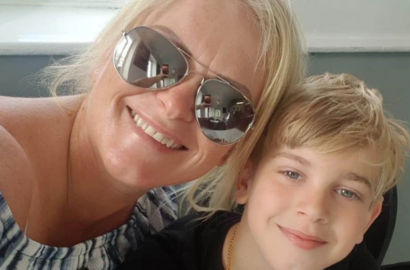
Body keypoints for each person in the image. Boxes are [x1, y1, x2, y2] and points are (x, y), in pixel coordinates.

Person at [0, 0, 306, 269]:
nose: (175, 105)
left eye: (225, 105)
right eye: (157, 56)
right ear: (109, 52)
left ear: (232, 148)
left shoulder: (159, 234)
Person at [117, 73, 410, 270]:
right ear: (246, 179)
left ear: (369, 218)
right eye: (293, 174)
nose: (314, 210)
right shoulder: (166, 260)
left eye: (347, 192)